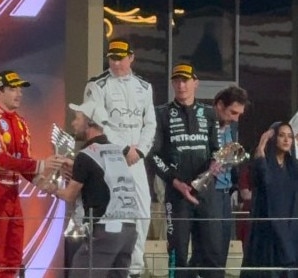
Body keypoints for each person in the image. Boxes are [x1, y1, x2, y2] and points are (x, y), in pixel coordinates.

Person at [83, 37, 157, 278]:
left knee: (142, 211)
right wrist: (124, 148)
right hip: (109, 157)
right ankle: (112, 270)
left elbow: (150, 123)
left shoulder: (145, 87)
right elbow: (97, 123)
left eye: (120, 58)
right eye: (112, 58)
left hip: (137, 158)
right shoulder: (97, 85)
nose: (115, 63)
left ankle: (134, 269)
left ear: (131, 57)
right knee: (112, 213)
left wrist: (141, 150)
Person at [42, 101, 140, 278]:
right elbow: (102, 177)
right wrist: (76, 168)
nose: (73, 123)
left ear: (90, 123)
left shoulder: (86, 155)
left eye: (77, 119)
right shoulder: (117, 151)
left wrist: (50, 188)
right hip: (129, 230)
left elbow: (70, 195)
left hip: (105, 229)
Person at [0, 70, 55, 278]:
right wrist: (41, 165)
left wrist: (47, 185)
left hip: (12, 193)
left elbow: (24, 164)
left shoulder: (21, 123)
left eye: (20, 89)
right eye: (12, 89)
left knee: (14, 256)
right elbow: (1, 161)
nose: (19, 93)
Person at [149, 62, 223, 278]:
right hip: (177, 194)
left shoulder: (209, 113)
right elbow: (153, 154)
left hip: (206, 192)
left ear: (195, 83)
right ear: (172, 84)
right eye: (177, 81)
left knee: (211, 252)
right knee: (177, 252)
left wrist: (216, 163)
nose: (181, 85)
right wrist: (174, 181)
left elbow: (217, 149)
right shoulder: (160, 113)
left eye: (185, 80)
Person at [240, 122, 298, 278]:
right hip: (268, 229)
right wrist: (261, 146)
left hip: (290, 228)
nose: (286, 140)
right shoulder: (262, 163)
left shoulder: (293, 167)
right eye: (281, 135)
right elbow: (265, 182)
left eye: (290, 136)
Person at [210, 85, 249, 273]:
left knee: (224, 246)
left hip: (226, 192)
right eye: (233, 112)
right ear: (219, 105)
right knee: (212, 248)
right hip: (210, 191)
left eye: (239, 114)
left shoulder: (230, 128)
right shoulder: (207, 125)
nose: (236, 118)